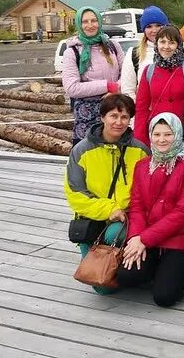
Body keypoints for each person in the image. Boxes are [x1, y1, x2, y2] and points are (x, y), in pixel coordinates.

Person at [64, 94, 149, 294]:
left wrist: (126, 212)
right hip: (93, 218)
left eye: (124, 117)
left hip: (126, 219)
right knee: (102, 288)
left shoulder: (140, 151)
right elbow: (75, 193)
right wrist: (110, 209)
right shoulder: (81, 151)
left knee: (113, 235)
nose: (119, 122)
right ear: (102, 117)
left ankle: (126, 267)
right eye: (113, 116)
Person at [117, 113, 184, 307]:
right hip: (148, 234)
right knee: (125, 276)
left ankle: (181, 268)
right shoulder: (142, 166)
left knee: (164, 297)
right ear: (150, 136)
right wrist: (135, 238)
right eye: (157, 134)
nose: (162, 140)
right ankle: (159, 266)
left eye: (168, 134)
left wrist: (144, 239)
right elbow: (137, 206)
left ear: (177, 135)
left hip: (180, 236)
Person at [62, 7, 125, 145]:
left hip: (115, 109)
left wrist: (117, 89)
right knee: (89, 157)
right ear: (79, 24)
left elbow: (126, 74)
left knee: (116, 154)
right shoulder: (72, 52)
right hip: (88, 116)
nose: (90, 25)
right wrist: (108, 86)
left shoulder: (113, 46)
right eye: (85, 22)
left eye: (94, 20)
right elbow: (71, 88)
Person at [134, 26, 184, 148]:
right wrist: (140, 138)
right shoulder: (149, 71)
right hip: (159, 135)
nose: (166, 46)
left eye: (171, 42)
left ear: (178, 45)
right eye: (162, 42)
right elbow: (141, 108)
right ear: (156, 44)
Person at [120, 6, 184, 100]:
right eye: (149, 26)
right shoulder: (134, 53)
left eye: (158, 25)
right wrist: (140, 111)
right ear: (143, 30)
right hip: (148, 111)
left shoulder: (183, 47)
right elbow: (128, 91)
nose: (154, 30)